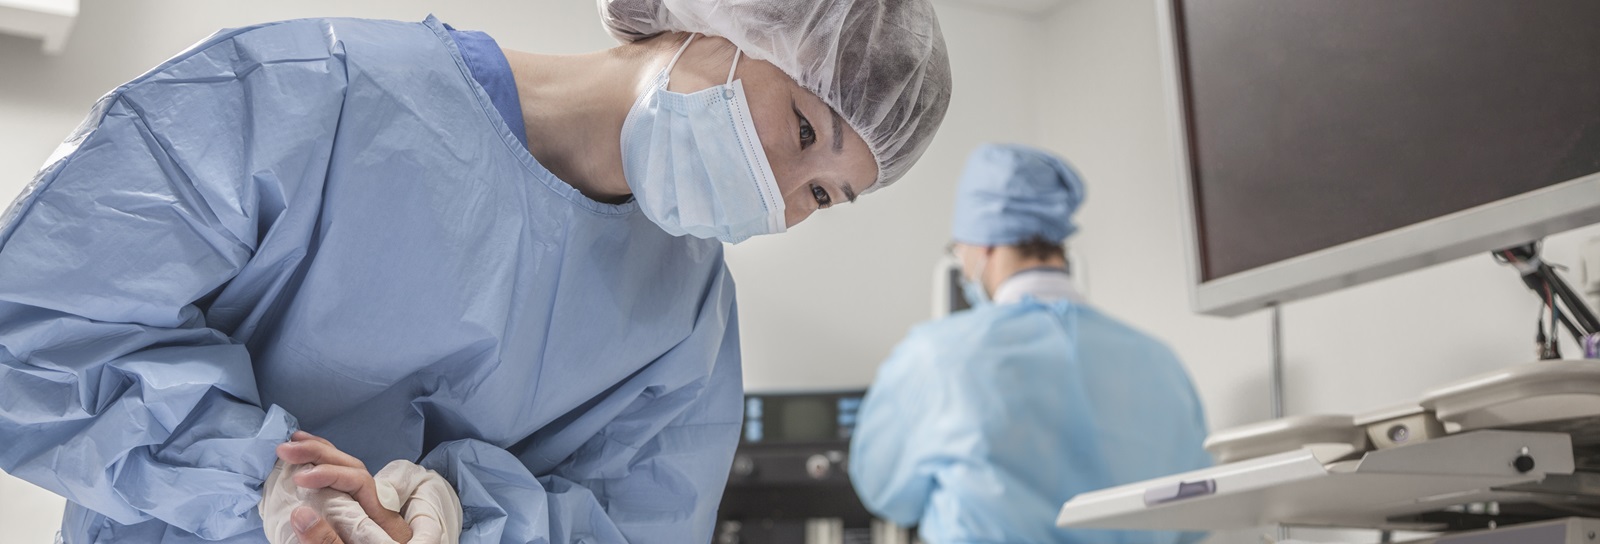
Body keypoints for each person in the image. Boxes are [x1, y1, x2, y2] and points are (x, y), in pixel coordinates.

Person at [0, 0, 951, 541]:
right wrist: (261, 482)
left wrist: (449, 521)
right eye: (801, 132)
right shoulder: (314, 93)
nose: (785, 192)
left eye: (826, 195)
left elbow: (640, 531)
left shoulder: (688, 314)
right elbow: (37, 326)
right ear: (716, 19)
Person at [848, 144, 1211, 544]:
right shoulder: (1158, 362)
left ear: (982, 245)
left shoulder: (936, 357)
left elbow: (885, 493)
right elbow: (1194, 521)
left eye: (959, 249)